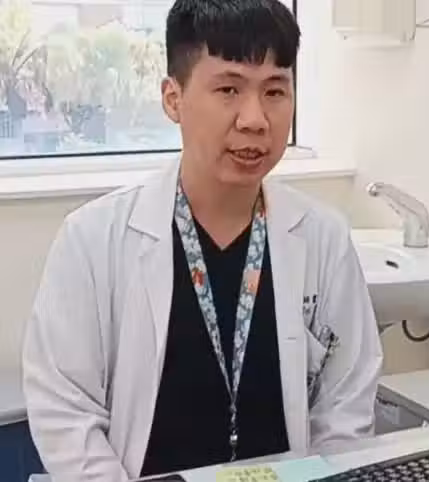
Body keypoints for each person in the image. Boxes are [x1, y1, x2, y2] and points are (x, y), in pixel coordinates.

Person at [22, 0, 383, 480]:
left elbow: (346, 406)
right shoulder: (92, 239)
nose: (255, 119)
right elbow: (66, 410)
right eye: (229, 89)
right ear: (173, 99)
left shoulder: (323, 239)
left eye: (275, 90)